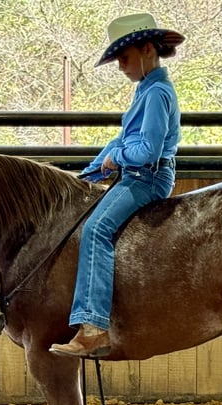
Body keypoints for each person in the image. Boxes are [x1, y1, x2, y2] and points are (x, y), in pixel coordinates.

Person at [49, 12, 184, 358]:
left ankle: (94, 327)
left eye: (124, 58)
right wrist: (91, 172)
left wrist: (118, 158)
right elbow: (121, 143)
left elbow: (147, 150)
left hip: (147, 178)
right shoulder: (147, 90)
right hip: (138, 174)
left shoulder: (156, 95)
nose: (122, 67)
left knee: (95, 230)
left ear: (145, 50)